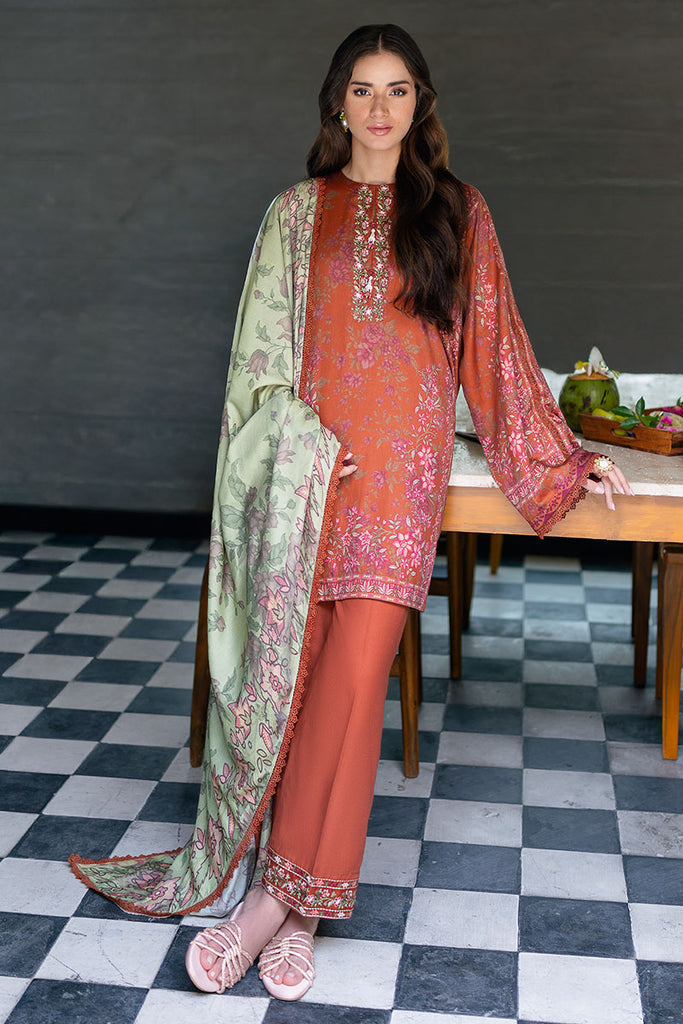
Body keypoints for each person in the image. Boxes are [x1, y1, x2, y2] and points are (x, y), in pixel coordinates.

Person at [70, 23, 632, 1001]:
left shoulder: (457, 213)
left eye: (397, 90)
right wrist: (303, 454)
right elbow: (255, 371)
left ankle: (267, 907)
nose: (380, 109)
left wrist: (562, 459)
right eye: (363, 90)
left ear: (420, 103)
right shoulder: (295, 216)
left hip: (396, 487)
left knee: (353, 685)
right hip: (309, 482)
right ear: (338, 102)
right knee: (298, 683)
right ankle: (302, 915)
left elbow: (495, 356)